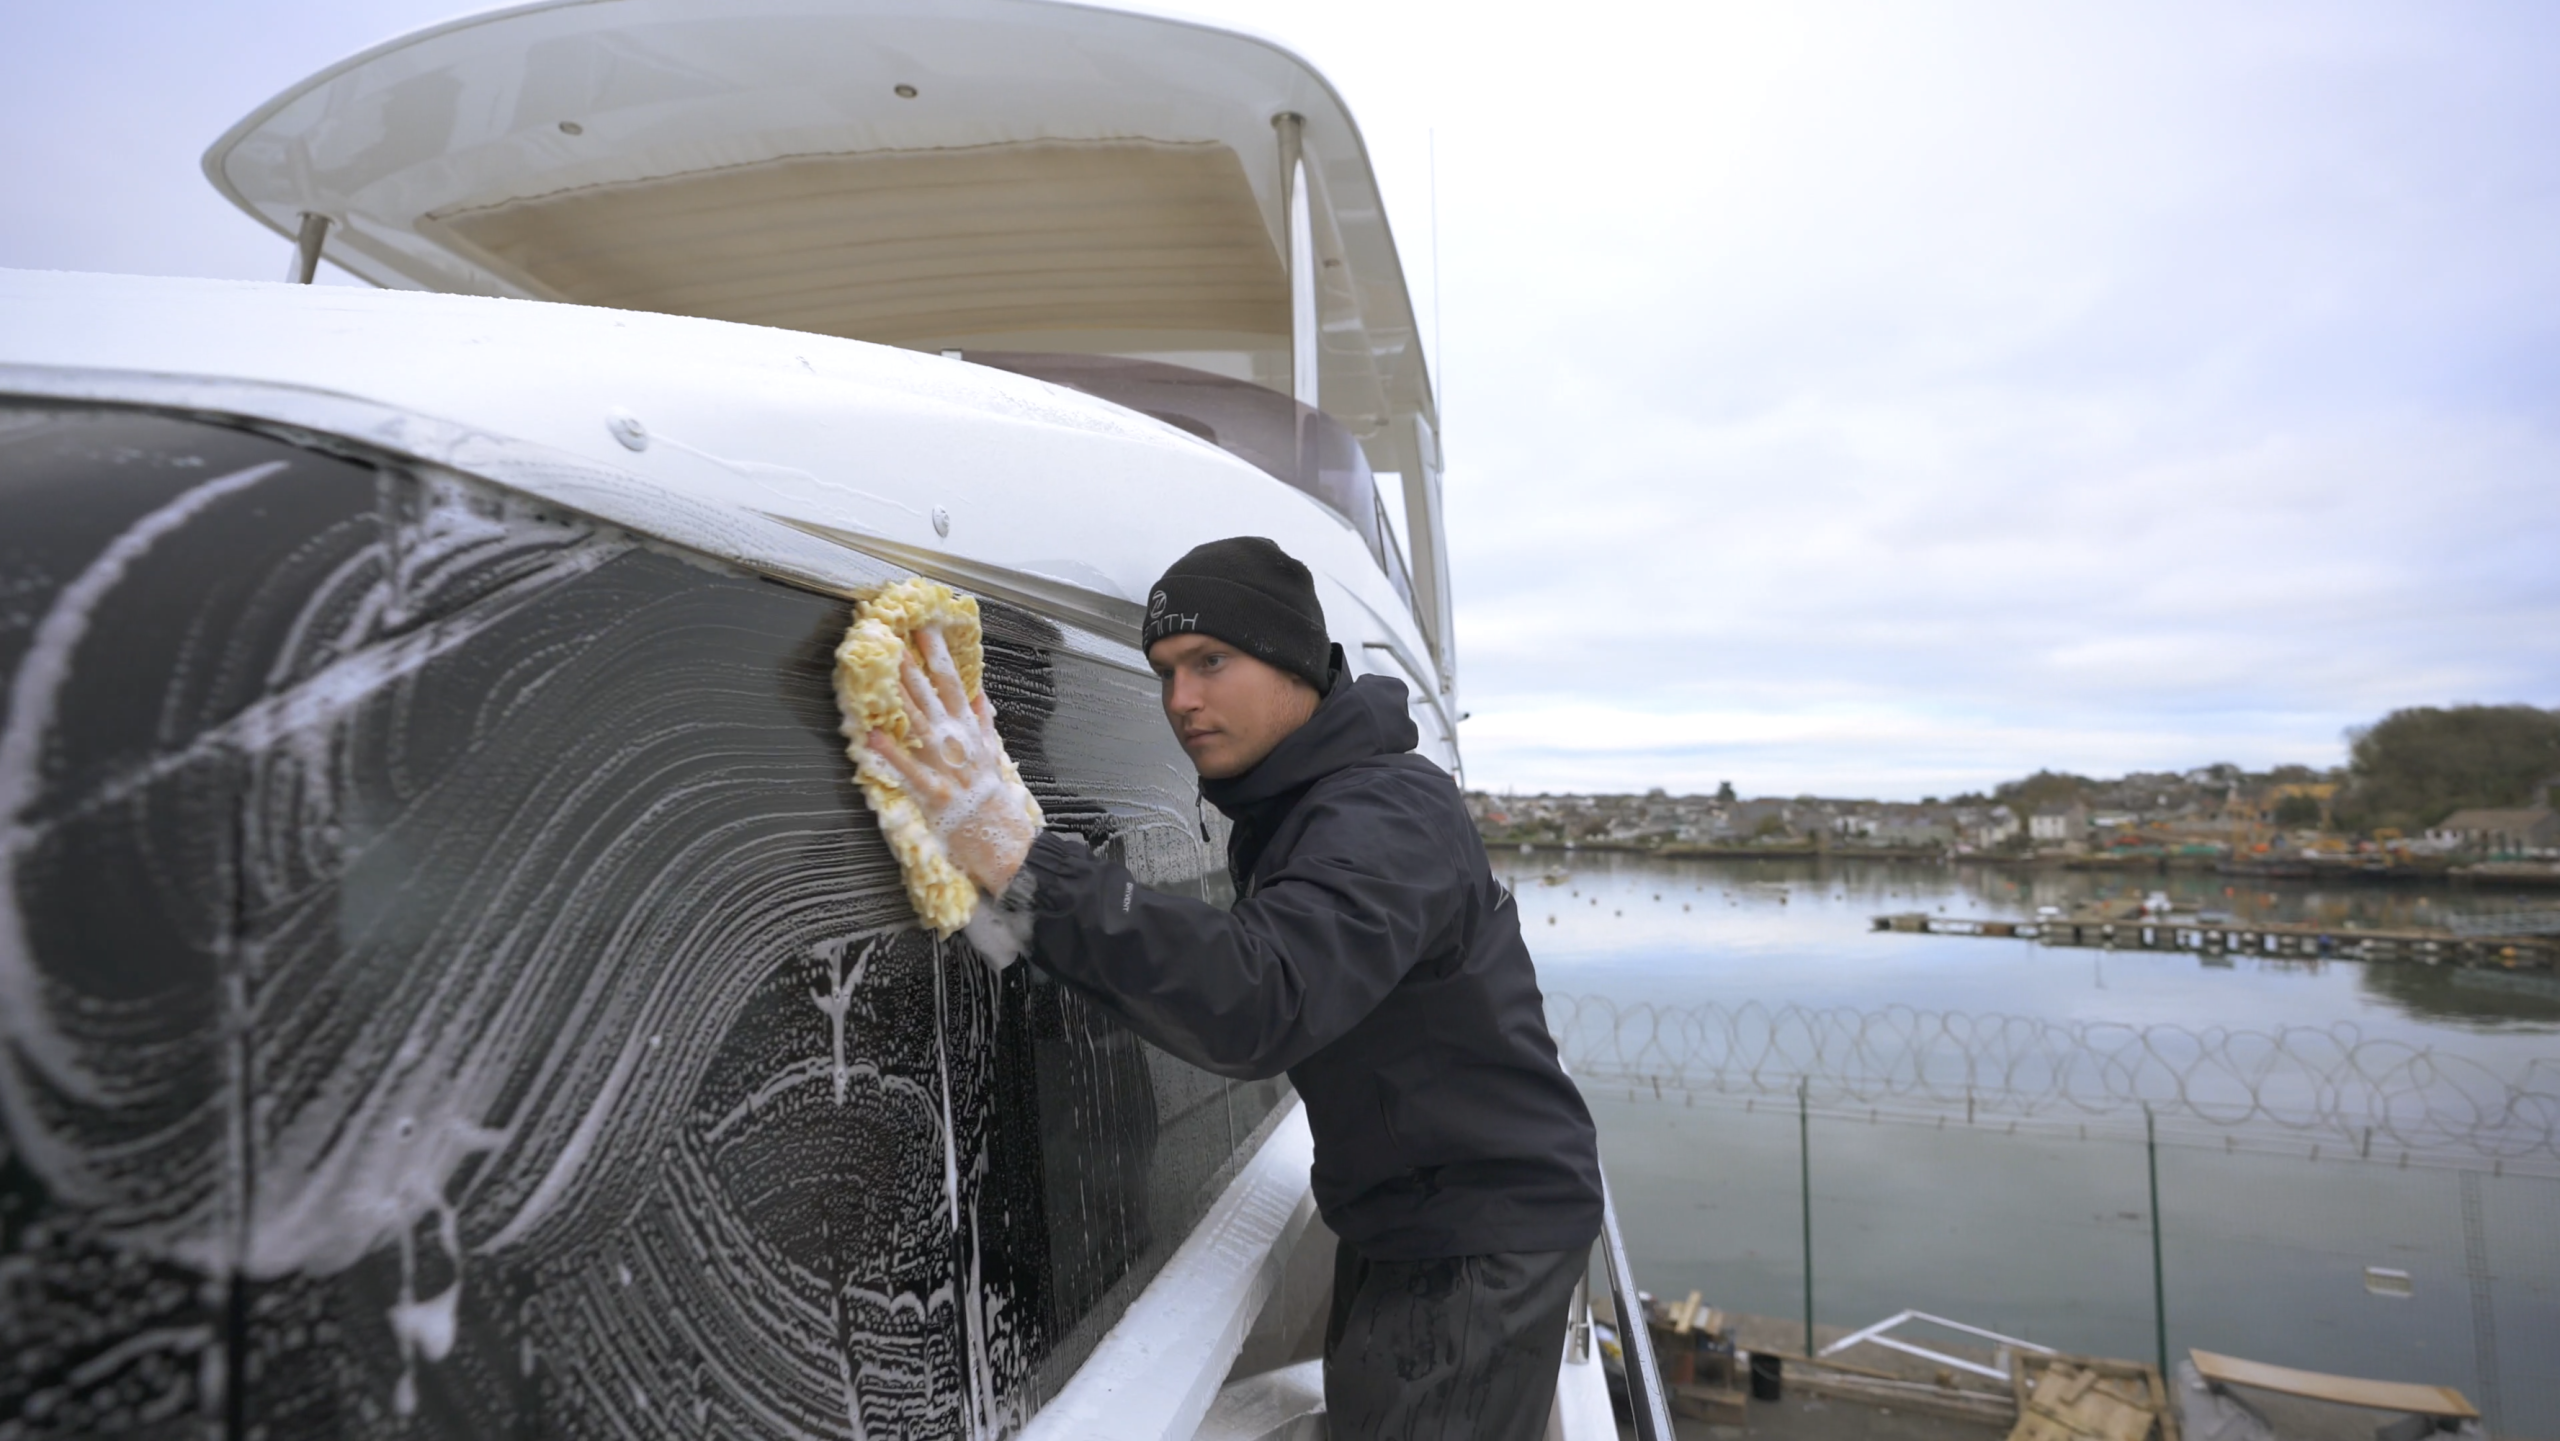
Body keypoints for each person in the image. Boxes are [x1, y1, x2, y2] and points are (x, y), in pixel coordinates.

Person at [867, 536, 1603, 1439]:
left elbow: (1262, 991)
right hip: (1414, 1209)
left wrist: (1026, 863)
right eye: (1165, 671)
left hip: (1478, 1235)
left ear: (1293, 659)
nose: (1181, 700)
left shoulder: (1383, 813)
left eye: (1211, 661)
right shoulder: (1304, 805)